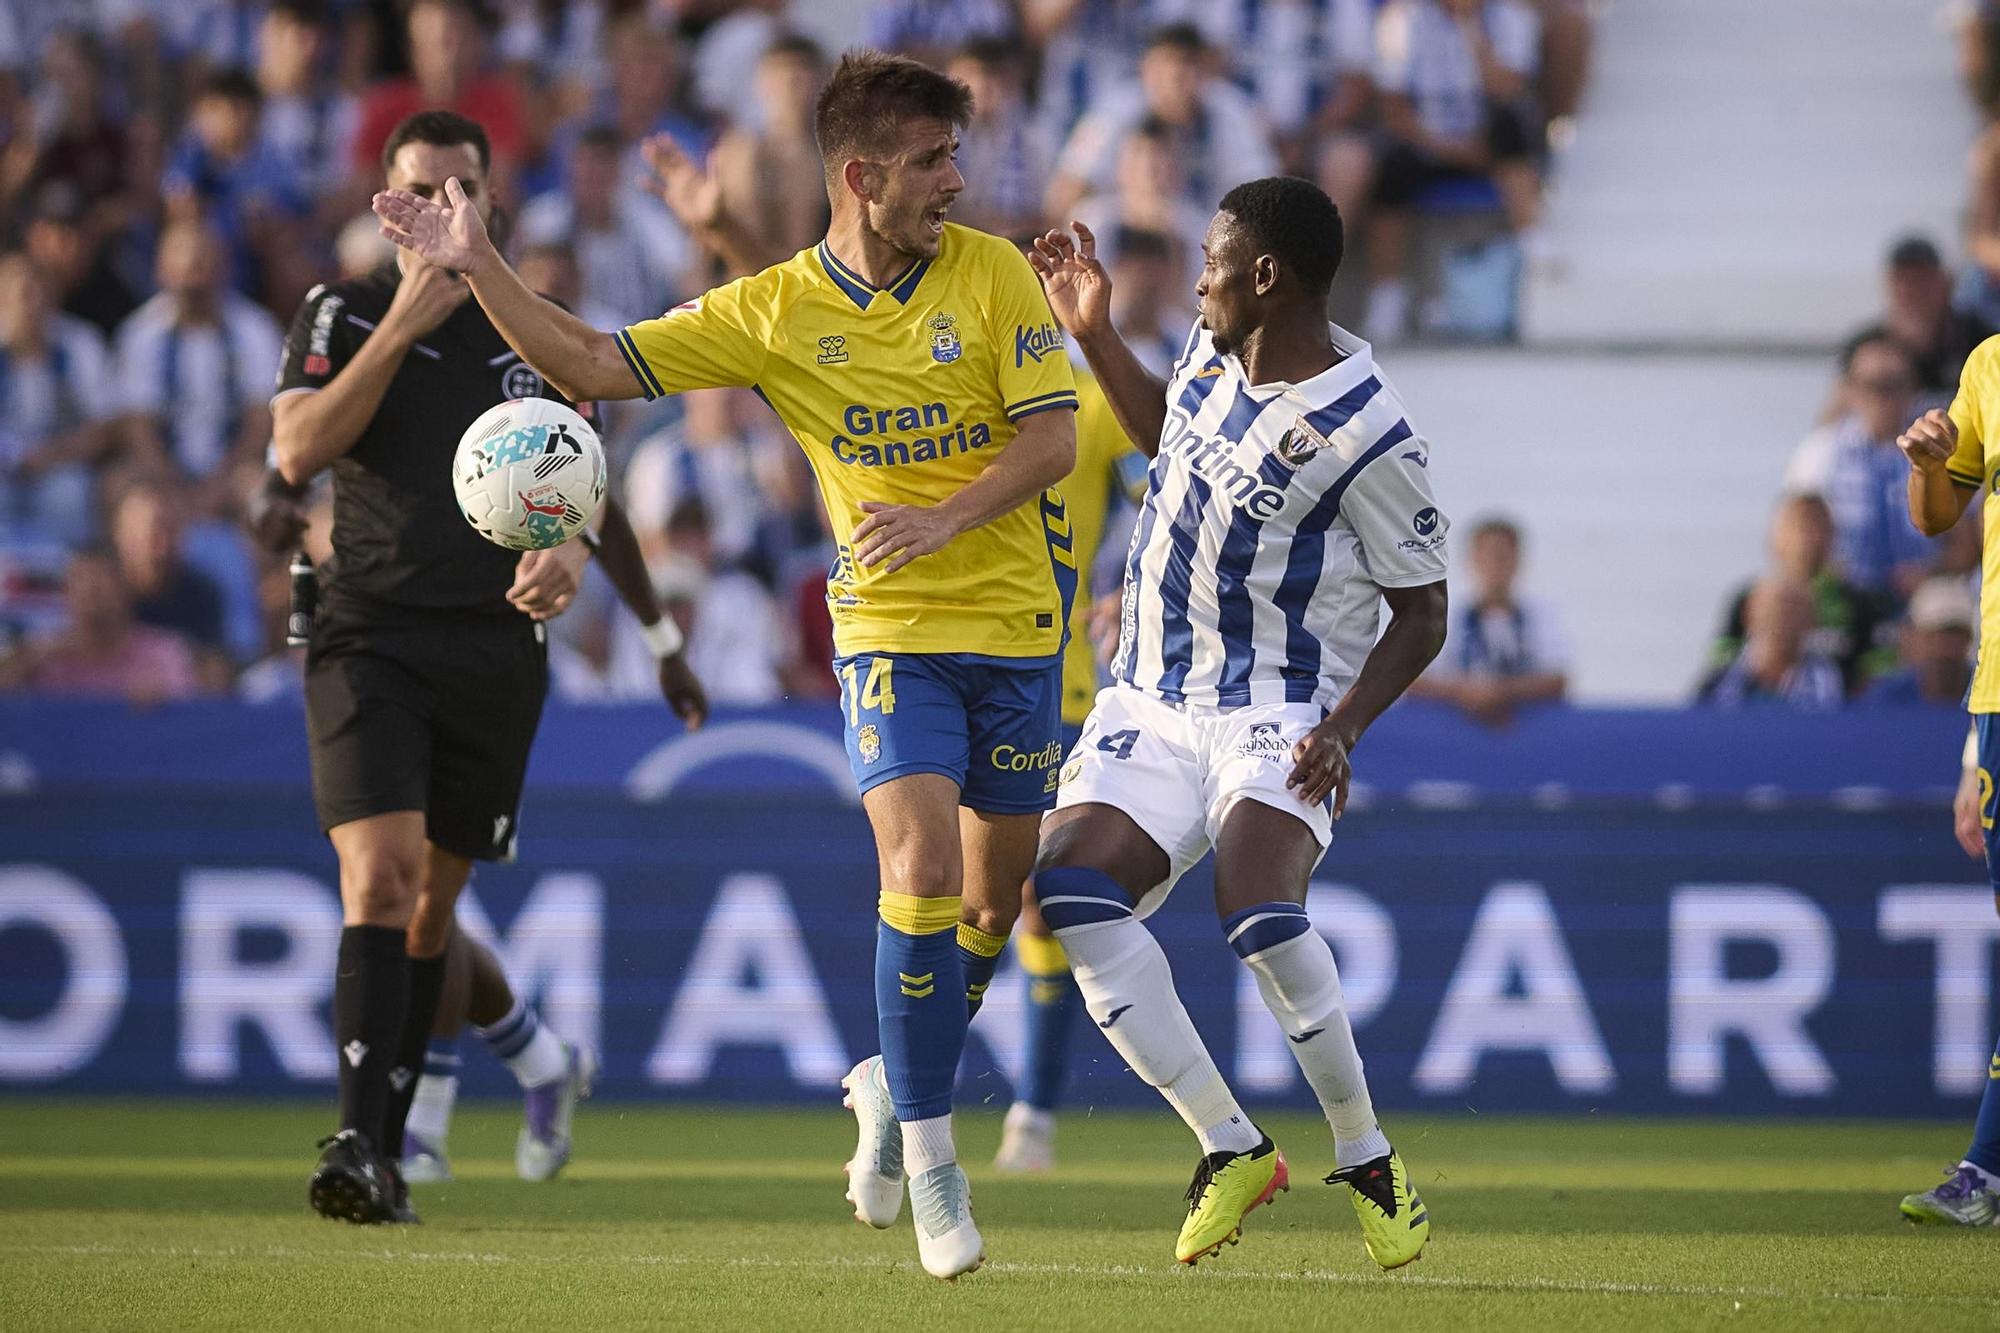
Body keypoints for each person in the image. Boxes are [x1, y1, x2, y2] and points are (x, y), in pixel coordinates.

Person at [372, 52, 1080, 1281]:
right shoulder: (774, 311)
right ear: (860, 176)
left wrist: (942, 517)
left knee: (986, 899)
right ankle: (931, 1161)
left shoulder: (996, 271)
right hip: (888, 631)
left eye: (954, 157)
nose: (954, 183)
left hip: (1016, 629)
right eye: (931, 161)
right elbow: (592, 363)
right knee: (913, 868)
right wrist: (478, 261)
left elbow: (1054, 439)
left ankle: (884, 1082)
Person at [270, 110, 708, 1227]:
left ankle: (434, 1113)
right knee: (379, 878)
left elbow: (583, 492)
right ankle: (365, 1146)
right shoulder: (344, 307)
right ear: (385, 200)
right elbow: (296, 450)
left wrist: (585, 576)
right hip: (367, 630)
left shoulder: (537, 333)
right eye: (419, 191)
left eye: (459, 192)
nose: (439, 211)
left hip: (492, 648)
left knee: (430, 915)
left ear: (491, 203)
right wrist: (406, 313)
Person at [1025, 178, 1447, 1270]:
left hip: (1277, 704)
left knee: (1254, 908)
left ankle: (1363, 1152)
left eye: (1212, 259)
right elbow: (1171, 448)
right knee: (1066, 889)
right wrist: (1099, 336)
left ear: (1266, 275)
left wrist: (1347, 726)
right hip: (1149, 696)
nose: (1198, 276)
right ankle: (1229, 1145)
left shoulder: (1369, 428)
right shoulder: (1213, 352)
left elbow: (1424, 609)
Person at [992, 369, 1142, 1173]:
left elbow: (1169, 484)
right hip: (940, 670)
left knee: (1037, 900)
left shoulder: (1089, 401)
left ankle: (1034, 1110)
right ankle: (913, 1107)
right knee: (949, 890)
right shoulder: (922, 382)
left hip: (1057, 683)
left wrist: (1137, 584)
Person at [1896, 336, 2000, 1223]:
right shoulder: (1990, 365)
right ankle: (1988, 1171)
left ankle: (1986, 1168)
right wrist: (1930, 463)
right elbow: (1936, 519)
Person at [1786, 334, 1940, 602]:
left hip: (1926, 598)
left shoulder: (1941, 448)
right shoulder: (1821, 450)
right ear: (1850, 390)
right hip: (1842, 594)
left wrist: (1931, 572)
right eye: (1872, 386)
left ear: (1914, 388)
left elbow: (1968, 541)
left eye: (1893, 385)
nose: (1883, 398)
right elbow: (1792, 532)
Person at [1410, 515, 1567, 725]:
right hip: (1453, 734)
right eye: (1487, 555)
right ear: (1472, 560)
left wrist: (1499, 693)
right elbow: (1411, 681)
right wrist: (1465, 692)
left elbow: (1558, 680)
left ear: (1517, 560)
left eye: (1502, 556)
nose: (1495, 565)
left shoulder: (1541, 615)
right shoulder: (1443, 615)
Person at [0, 547, 206, 702]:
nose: (92, 592)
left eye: (101, 582)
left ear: (125, 591)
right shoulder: (42, 657)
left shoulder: (164, 653)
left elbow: (187, 716)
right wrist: (28, 660)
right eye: (81, 582)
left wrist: (163, 700)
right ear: (65, 594)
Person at [1695, 575, 1844, 709]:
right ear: (1748, 615)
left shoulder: (1835, 683)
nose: (1784, 618)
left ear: (1812, 621)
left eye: (1795, 608)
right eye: (1776, 606)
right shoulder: (1717, 683)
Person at [1865, 576, 1975, 707]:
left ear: (1968, 640)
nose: (1944, 648)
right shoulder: (1887, 696)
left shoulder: (1990, 693)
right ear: (1914, 638)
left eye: (1955, 636)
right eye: (1934, 637)